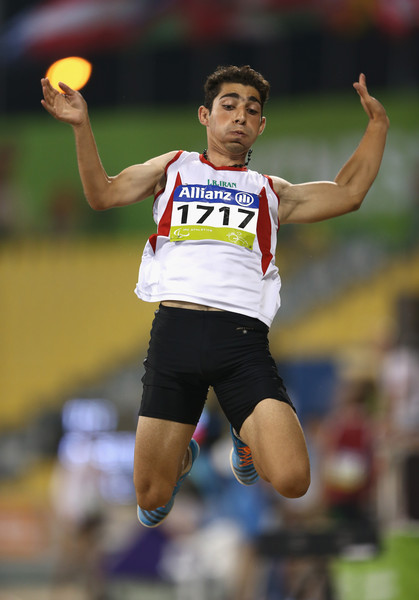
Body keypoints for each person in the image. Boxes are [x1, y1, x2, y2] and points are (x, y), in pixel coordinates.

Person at [41, 65, 389, 528]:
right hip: (176, 337)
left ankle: (245, 435)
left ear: (261, 126)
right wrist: (82, 125)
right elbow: (102, 194)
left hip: (241, 343)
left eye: (252, 110)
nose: (241, 116)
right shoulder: (173, 168)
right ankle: (184, 456)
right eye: (229, 106)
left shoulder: (270, 192)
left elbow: (348, 193)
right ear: (205, 115)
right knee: (150, 500)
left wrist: (378, 126)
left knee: (293, 480)